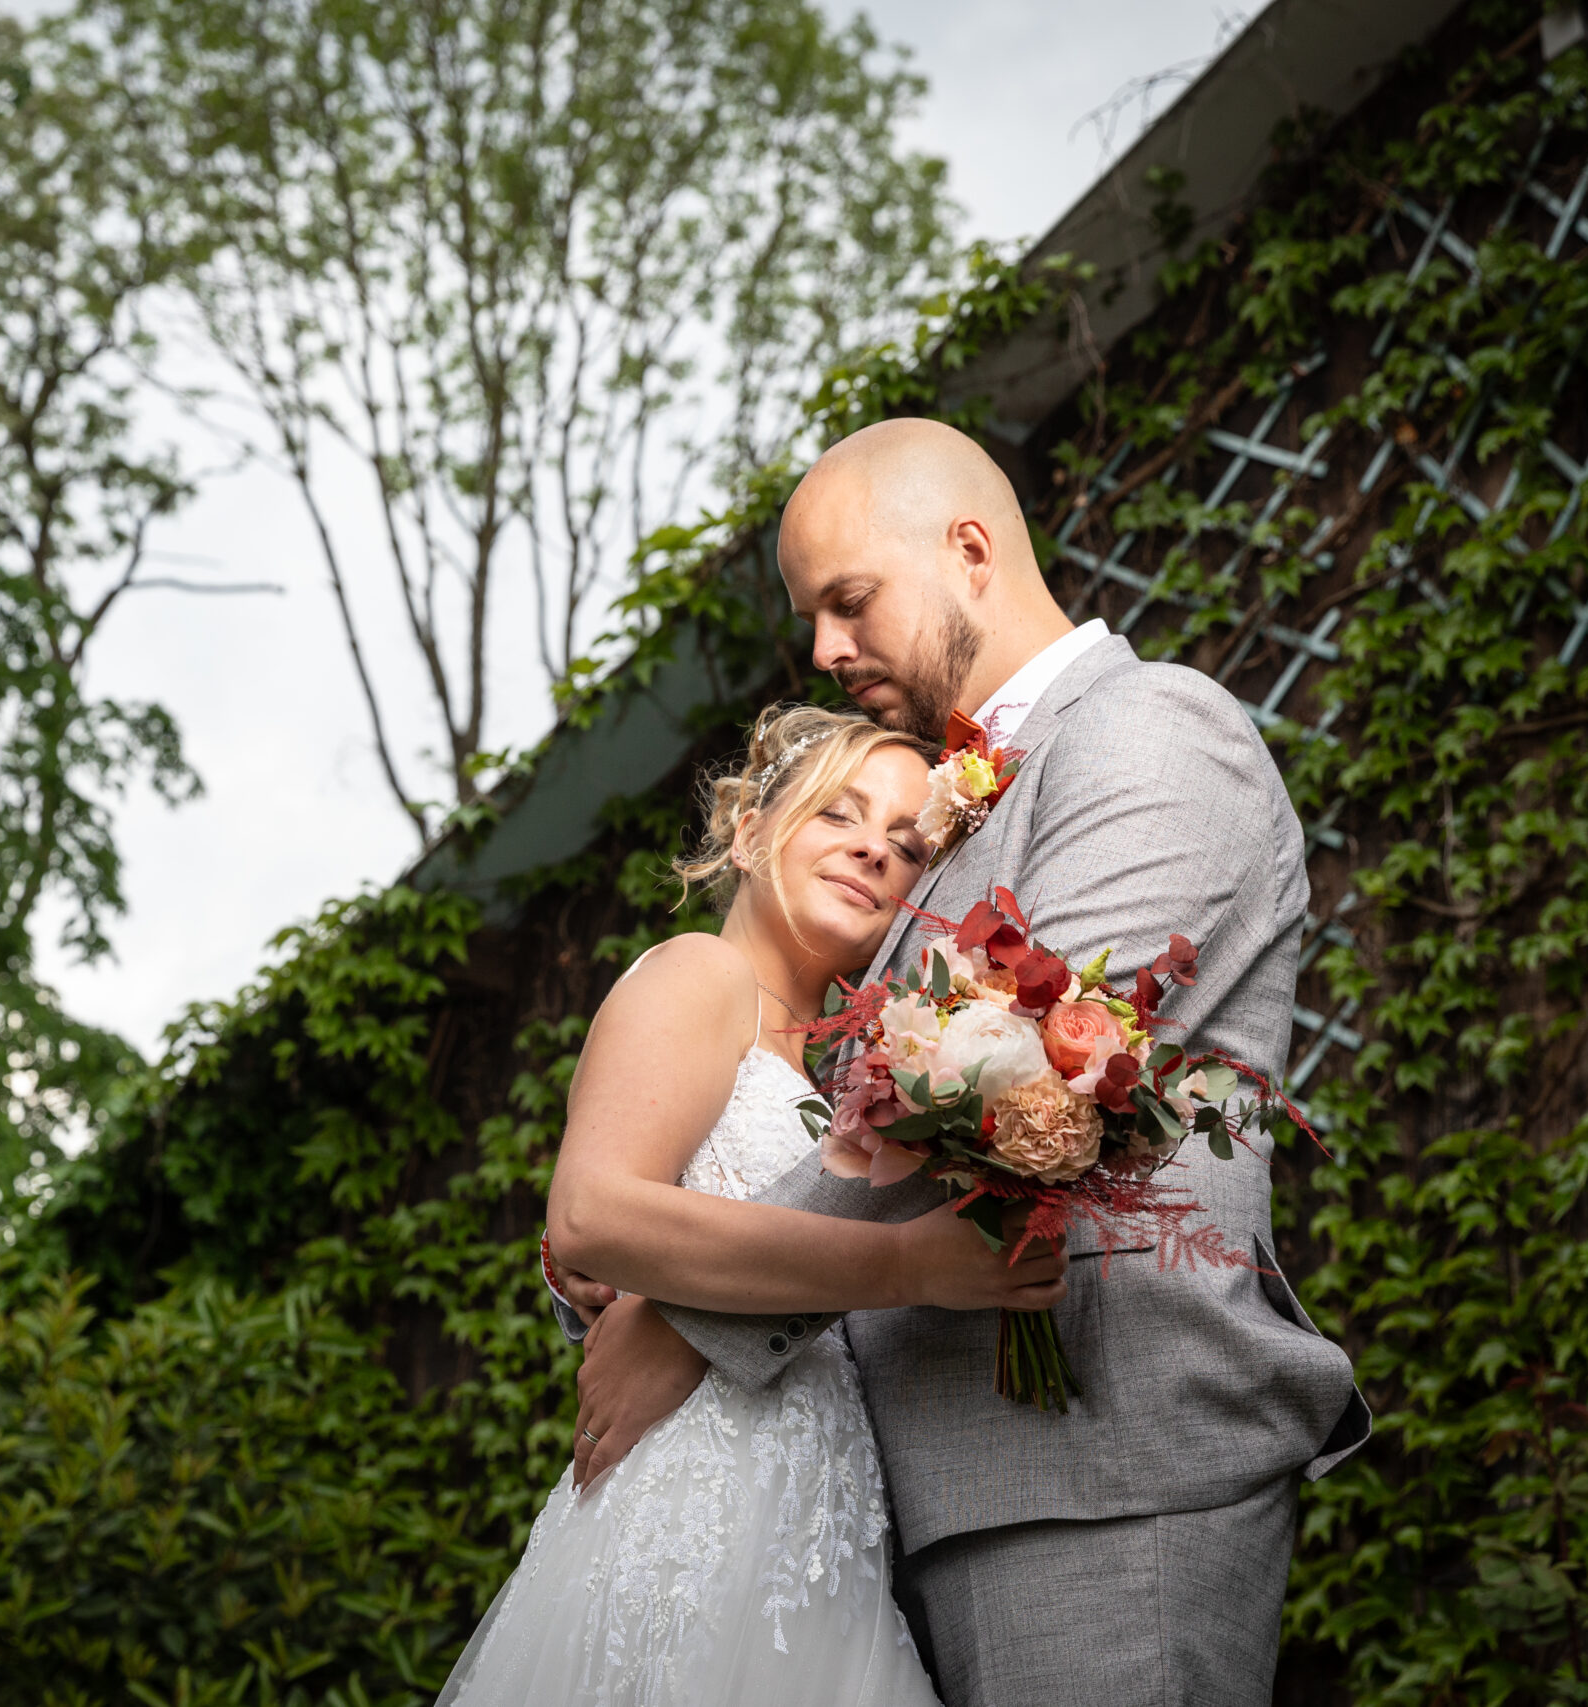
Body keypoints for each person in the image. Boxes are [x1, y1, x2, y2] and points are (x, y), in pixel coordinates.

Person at [545, 419, 1371, 1707]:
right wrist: (621, 1267)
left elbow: (1008, 1092)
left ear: (970, 551)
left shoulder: (1151, 731)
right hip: (888, 1513)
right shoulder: (943, 824)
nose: (823, 648)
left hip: (1092, 1484)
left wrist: (690, 1317)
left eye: (849, 600)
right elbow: (828, 1128)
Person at [436, 705, 1067, 1707]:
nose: (872, 847)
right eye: (838, 815)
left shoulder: (863, 1071)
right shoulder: (701, 973)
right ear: (748, 832)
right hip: (701, 1497)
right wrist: (911, 1268)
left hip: (820, 1514)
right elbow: (593, 1215)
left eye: (907, 846)